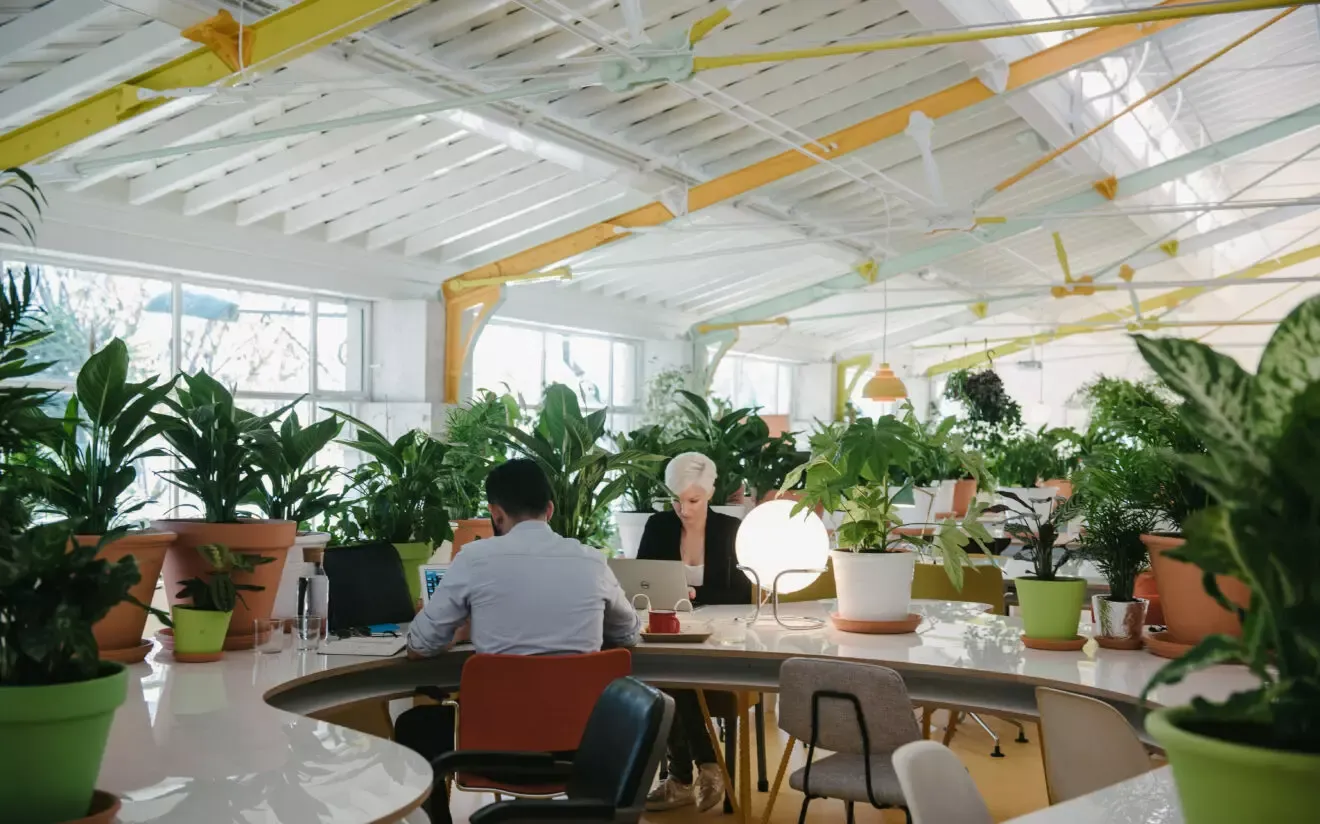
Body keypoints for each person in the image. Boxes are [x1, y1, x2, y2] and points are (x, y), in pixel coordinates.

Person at [396, 458, 640, 823]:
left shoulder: (475, 559)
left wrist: (461, 630)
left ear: (496, 513)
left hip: (493, 751)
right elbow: (629, 635)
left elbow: (420, 645)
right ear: (551, 509)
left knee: (415, 725)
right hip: (581, 749)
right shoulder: (591, 560)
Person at [637, 452, 752, 812]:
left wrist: (694, 595)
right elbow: (641, 583)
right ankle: (707, 765)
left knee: (672, 675)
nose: (683, 509)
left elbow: (743, 594)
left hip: (720, 635)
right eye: (677, 499)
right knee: (669, 671)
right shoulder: (658, 526)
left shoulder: (730, 531)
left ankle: (681, 777)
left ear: (710, 494)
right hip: (669, 630)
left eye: (693, 500)